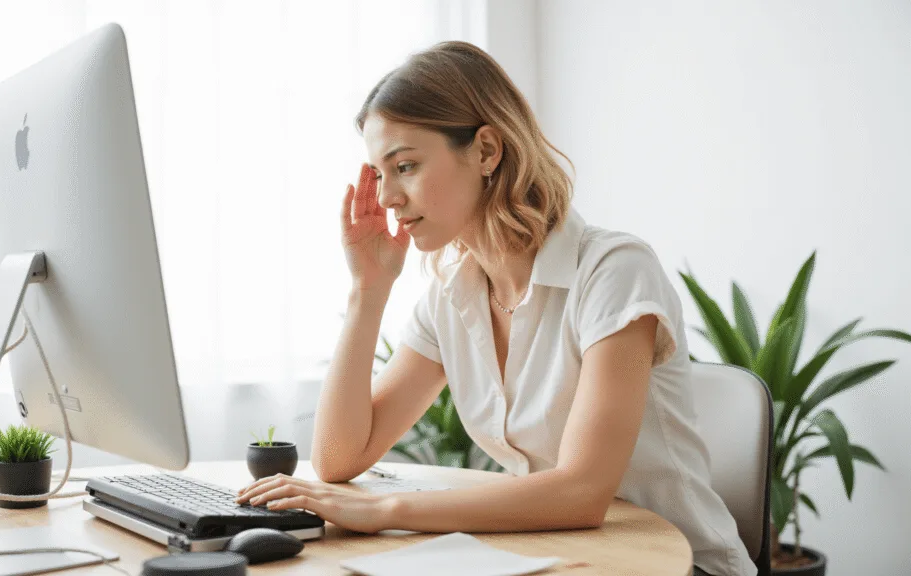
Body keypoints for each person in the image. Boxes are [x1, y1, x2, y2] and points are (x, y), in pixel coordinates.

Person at [236, 40, 756, 576]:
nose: (388, 197)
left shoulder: (614, 271)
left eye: (406, 166)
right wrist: (367, 292)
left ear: (487, 151)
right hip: (563, 561)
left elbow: (581, 492)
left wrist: (386, 510)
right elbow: (342, 456)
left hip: (679, 566)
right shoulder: (453, 292)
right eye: (378, 174)